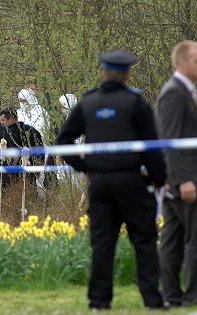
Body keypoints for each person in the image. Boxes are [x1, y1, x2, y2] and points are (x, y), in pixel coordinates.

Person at [57, 50, 167, 311]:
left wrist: (85, 167)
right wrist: (157, 179)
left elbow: (63, 141)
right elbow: (152, 147)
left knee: (103, 243)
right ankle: (152, 300)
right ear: (127, 74)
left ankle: (98, 301)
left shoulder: (88, 103)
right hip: (131, 180)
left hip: (100, 183)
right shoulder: (136, 103)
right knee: (144, 240)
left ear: (102, 72)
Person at [155, 40, 197, 308]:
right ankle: (194, 296)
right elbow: (170, 140)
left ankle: (171, 296)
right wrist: (182, 180)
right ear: (182, 63)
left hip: (178, 178)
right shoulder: (174, 94)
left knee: (173, 238)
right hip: (185, 180)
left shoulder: (183, 91)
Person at [0, 107, 45, 186]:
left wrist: (12, 168)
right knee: (33, 187)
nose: (2, 123)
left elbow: (15, 152)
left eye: (3, 120)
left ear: (11, 118)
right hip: (35, 165)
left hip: (21, 167)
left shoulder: (10, 133)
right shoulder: (31, 129)